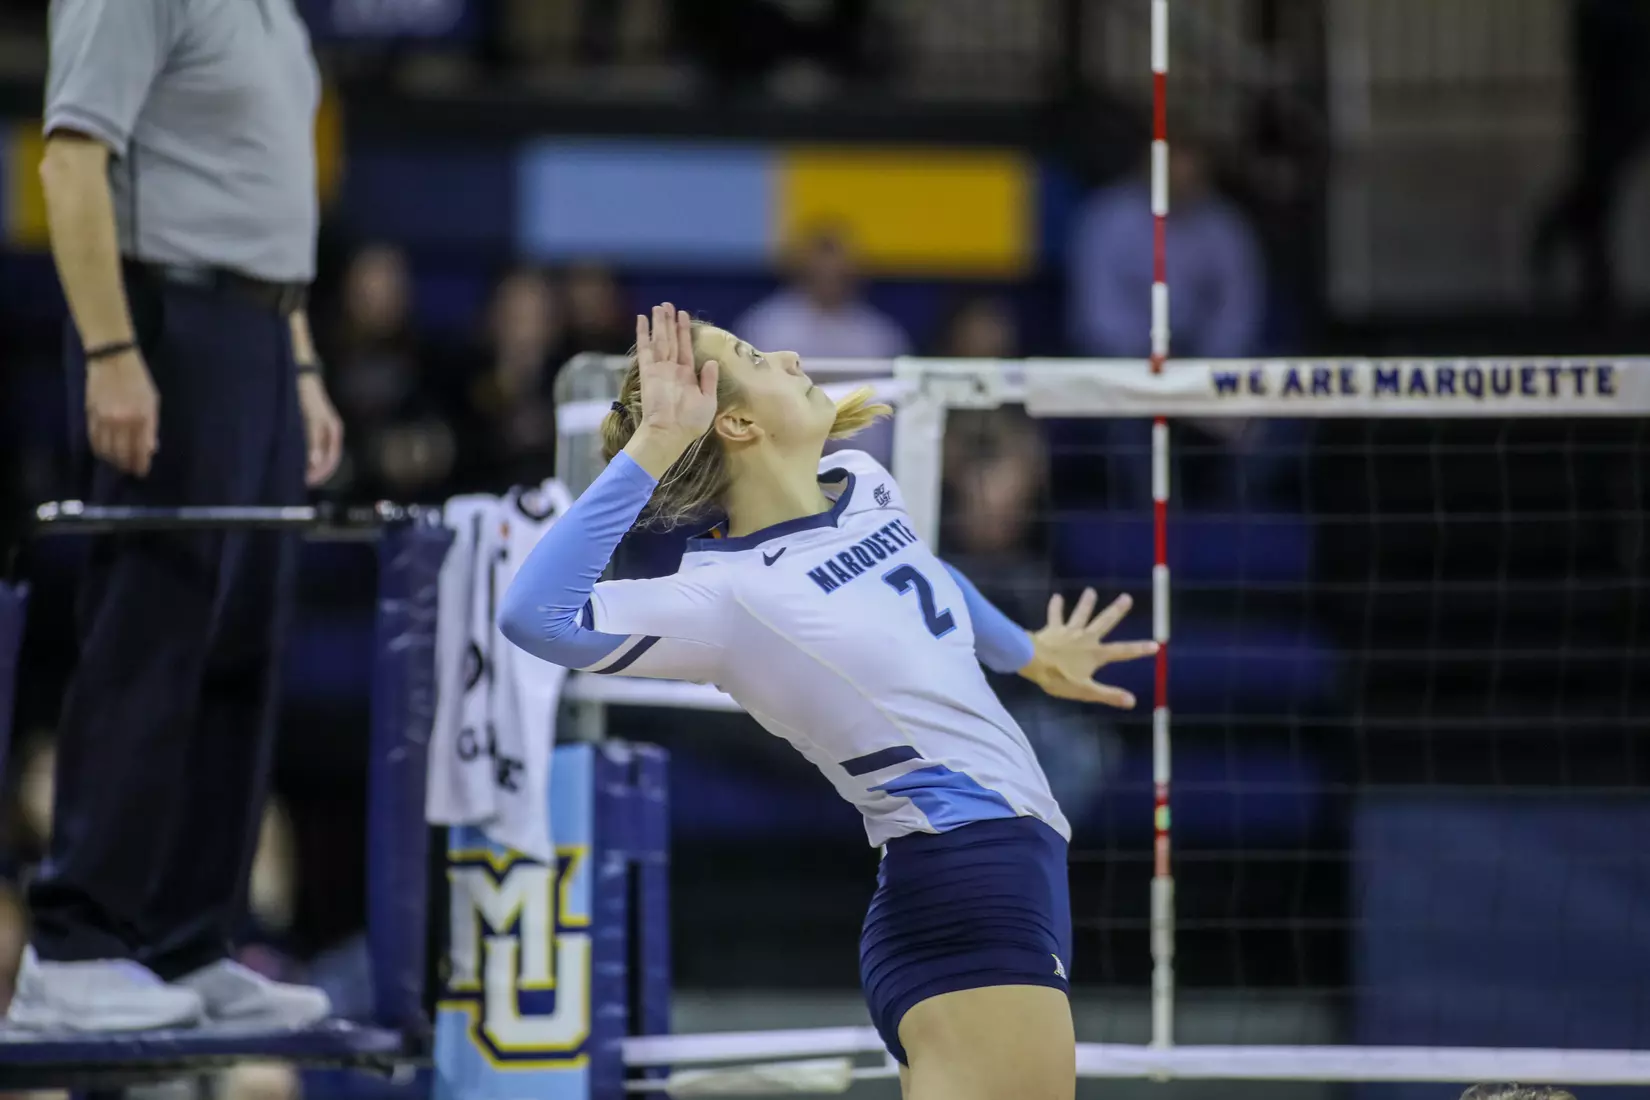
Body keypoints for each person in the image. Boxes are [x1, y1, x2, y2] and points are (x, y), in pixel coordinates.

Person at [498, 304, 1156, 1100]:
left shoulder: (864, 484)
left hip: (999, 877)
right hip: (964, 881)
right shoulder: (725, 595)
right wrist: (656, 445)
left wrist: (1029, 652)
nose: (788, 352)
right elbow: (534, 616)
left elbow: (926, 574)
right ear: (734, 421)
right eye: (752, 354)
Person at [12, 0, 341, 1031]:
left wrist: (301, 368)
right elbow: (69, 164)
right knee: (152, 630)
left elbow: (263, 199)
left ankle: (190, 941)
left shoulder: (276, 13)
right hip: (166, 321)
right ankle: (72, 944)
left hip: (257, 329)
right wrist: (112, 351)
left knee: (239, 647)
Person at [735, 227, 910, 361]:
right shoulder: (764, 327)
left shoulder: (879, 334)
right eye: (818, 272)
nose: (828, 277)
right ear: (800, 270)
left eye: (838, 274)